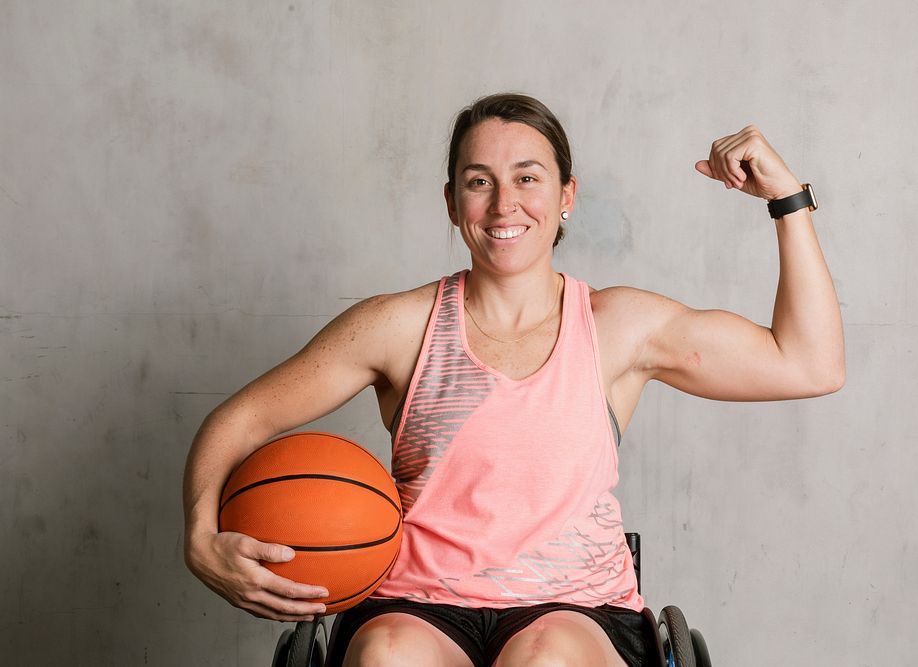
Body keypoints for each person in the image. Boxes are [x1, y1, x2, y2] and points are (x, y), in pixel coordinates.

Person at [183, 92, 844, 666]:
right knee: (387, 656)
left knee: (544, 657)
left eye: (528, 178)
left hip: (575, 611)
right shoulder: (396, 326)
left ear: (566, 196)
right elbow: (240, 420)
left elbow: (809, 362)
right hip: (417, 605)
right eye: (479, 180)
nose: (505, 203)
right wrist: (199, 536)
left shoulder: (619, 326)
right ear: (452, 201)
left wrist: (787, 198)